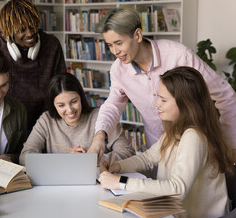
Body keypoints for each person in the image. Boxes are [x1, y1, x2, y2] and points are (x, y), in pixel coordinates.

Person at [87, 7, 236, 163]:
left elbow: (225, 95)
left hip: (195, 149)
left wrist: (230, 143)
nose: (115, 51)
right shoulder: (118, 70)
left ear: (137, 35)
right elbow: (112, 106)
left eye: (118, 43)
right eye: (109, 45)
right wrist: (99, 136)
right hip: (158, 151)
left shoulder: (179, 55)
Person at [99, 66, 234, 218]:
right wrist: (117, 167)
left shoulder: (194, 136)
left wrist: (120, 182)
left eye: (163, 100)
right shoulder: (176, 129)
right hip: (171, 211)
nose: (157, 104)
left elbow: (177, 190)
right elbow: (148, 158)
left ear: (185, 103)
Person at [0, 0, 66, 132]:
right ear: (9, 31)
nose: (30, 33)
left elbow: (60, 86)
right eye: (22, 30)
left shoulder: (52, 44)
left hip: (45, 120)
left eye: (33, 26)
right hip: (7, 121)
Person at [19, 73, 135, 166]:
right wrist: (66, 159)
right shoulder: (46, 120)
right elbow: (25, 156)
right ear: (53, 105)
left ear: (81, 97)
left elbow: (128, 154)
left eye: (74, 102)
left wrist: (92, 158)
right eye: (61, 105)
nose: (69, 110)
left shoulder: (102, 117)